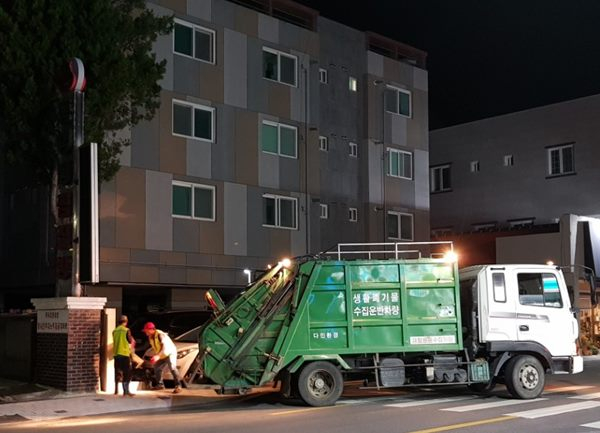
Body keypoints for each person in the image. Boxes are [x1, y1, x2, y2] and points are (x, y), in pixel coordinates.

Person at [142, 322, 183, 394]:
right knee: (157, 368)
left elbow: (165, 347)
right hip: (162, 354)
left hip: (170, 353)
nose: (145, 332)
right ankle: (160, 385)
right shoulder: (151, 337)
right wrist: (155, 356)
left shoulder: (161, 335)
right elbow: (156, 347)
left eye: (146, 331)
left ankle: (178, 385)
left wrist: (158, 356)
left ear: (151, 329)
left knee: (172, 367)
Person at [112, 315, 135, 396]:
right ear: (126, 322)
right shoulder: (126, 330)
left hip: (116, 354)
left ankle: (116, 390)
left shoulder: (114, 331)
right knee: (127, 372)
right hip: (124, 354)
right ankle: (126, 391)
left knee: (117, 372)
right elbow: (129, 341)